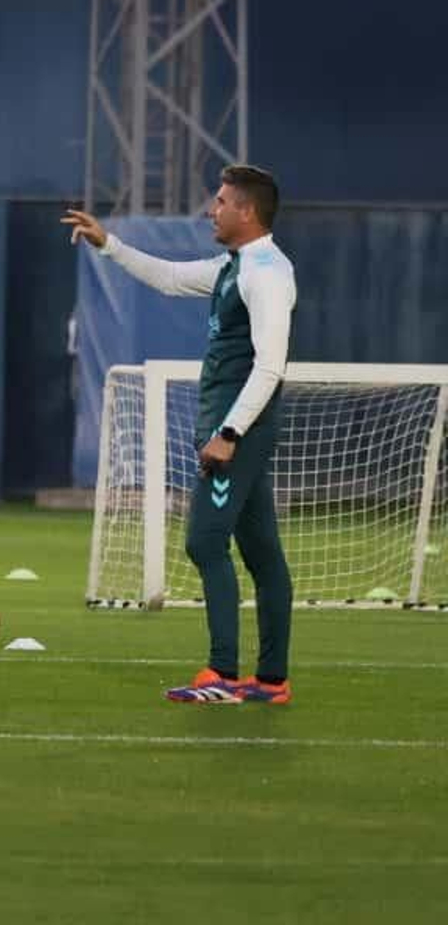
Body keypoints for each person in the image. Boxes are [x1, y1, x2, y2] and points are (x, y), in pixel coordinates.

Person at [63, 164, 296, 705]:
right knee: (262, 554)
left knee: (204, 541)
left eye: (221, 202)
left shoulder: (267, 273)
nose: (212, 210)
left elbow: (270, 365)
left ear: (247, 211)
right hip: (232, 428)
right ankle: (271, 681)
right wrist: (109, 244)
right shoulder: (237, 265)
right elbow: (168, 278)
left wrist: (230, 432)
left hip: (238, 431)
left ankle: (222, 674)